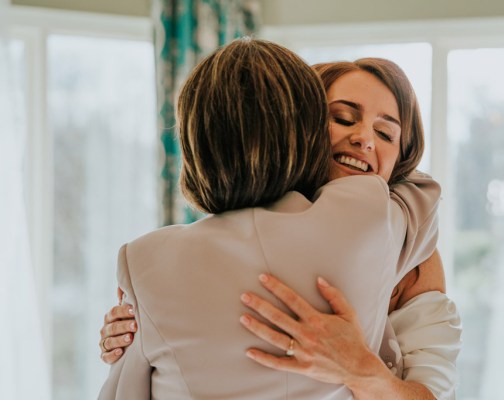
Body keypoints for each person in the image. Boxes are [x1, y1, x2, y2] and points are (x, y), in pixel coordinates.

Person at [98, 38, 441, 400]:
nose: (364, 140)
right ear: (303, 129)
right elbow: (424, 191)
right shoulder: (373, 217)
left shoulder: (146, 260)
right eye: (340, 118)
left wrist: (367, 374)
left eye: (386, 133)